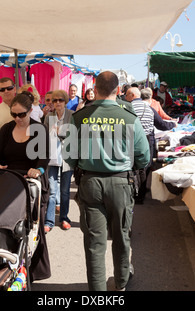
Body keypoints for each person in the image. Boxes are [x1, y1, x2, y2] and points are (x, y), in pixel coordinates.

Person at [63, 71, 150, 291]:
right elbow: (144, 157)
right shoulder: (129, 117)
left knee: (94, 243)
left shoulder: (81, 116)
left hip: (90, 183)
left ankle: (98, 292)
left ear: (95, 88)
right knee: (121, 237)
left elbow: (69, 155)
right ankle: (120, 284)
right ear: (118, 90)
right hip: (121, 183)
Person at [0, 91, 51, 281]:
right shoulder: (7, 129)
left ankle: (34, 271)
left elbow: (44, 157)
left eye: (21, 114)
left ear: (31, 111)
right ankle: (8, 266)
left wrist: (38, 169)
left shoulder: (39, 129)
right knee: (8, 225)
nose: (17, 118)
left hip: (32, 183)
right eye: (13, 114)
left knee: (32, 227)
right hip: (9, 182)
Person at [44, 90, 73, 232]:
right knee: (52, 190)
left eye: (60, 100)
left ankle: (64, 218)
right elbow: (44, 136)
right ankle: (49, 221)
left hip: (67, 157)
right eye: (54, 100)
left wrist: (59, 131)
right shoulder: (48, 116)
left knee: (65, 190)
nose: (57, 103)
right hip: (52, 156)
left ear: (65, 101)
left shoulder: (72, 115)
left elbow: (75, 134)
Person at [125, 87, 155, 204]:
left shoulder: (128, 107)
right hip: (145, 139)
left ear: (132, 95)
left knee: (130, 167)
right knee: (142, 168)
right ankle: (140, 196)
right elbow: (154, 125)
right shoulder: (149, 108)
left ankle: (130, 193)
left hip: (131, 138)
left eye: (127, 95)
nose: (125, 97)